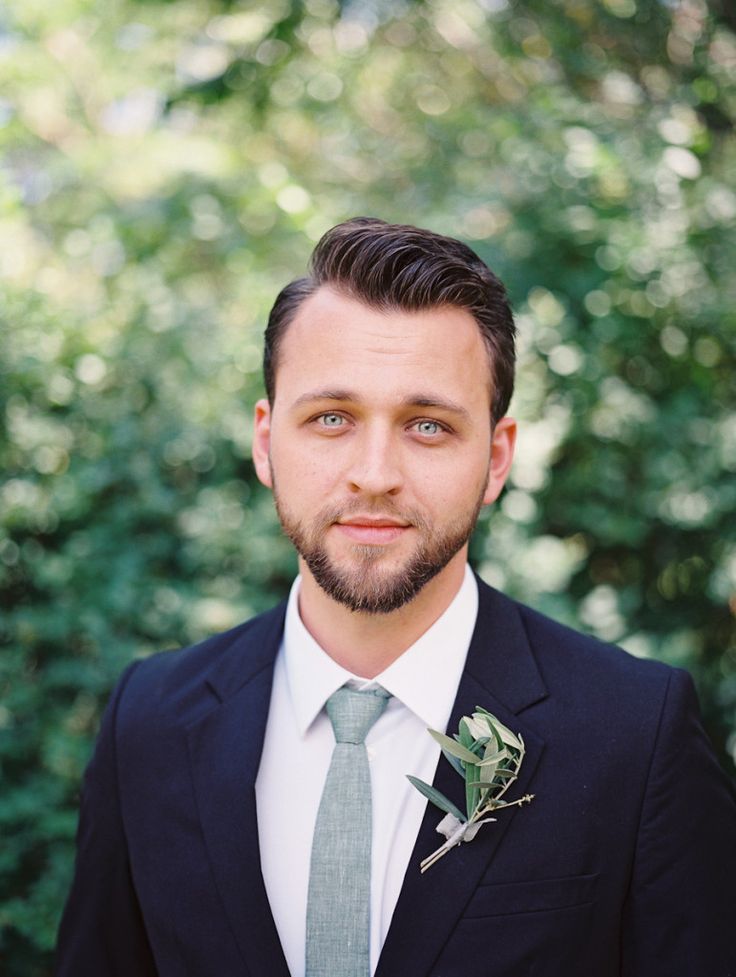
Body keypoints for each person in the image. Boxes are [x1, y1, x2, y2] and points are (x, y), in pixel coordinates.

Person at [55, 218, 736, 977]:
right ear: (265, 440)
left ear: (497, 457)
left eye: (427, 425)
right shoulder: (148, 721)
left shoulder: (636, 734)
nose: (374, 471)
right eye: (332, 418)